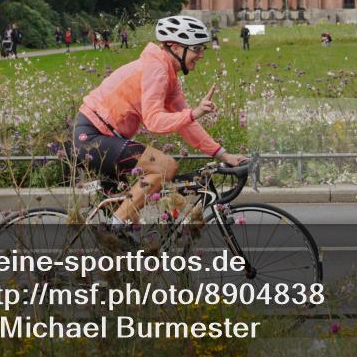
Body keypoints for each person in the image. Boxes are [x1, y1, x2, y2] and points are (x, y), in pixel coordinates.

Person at [72, 15, 248, 226]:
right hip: (93, 137)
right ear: (175, 46)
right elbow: (154, 121)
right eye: (196, 49)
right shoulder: (156, 69)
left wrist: (223, 154)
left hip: (105, 137)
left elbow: (187, 125)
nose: (201, 55)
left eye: (203, 49)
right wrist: (194, 112)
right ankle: (113, 228)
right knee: (165, 167)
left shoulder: (167, 74)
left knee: (134, 231)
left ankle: (117, 238)